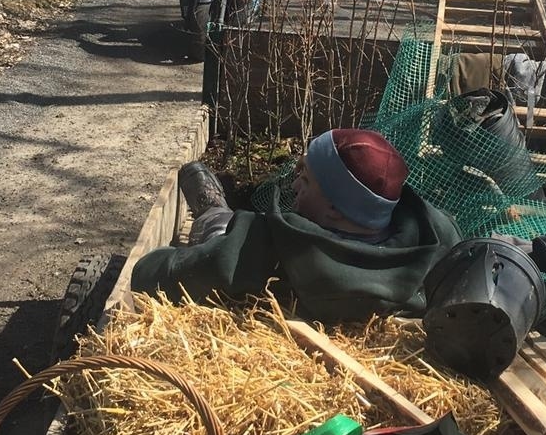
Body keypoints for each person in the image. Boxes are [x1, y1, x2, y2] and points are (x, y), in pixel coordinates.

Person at [130, 129, 462, 323]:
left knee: (220, 226)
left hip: (228, 246)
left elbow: (148, 273)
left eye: (305, 179)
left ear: (334, 208)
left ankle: (212, 212)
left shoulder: (271, 249)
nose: (294, 187)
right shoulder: (436, 243)